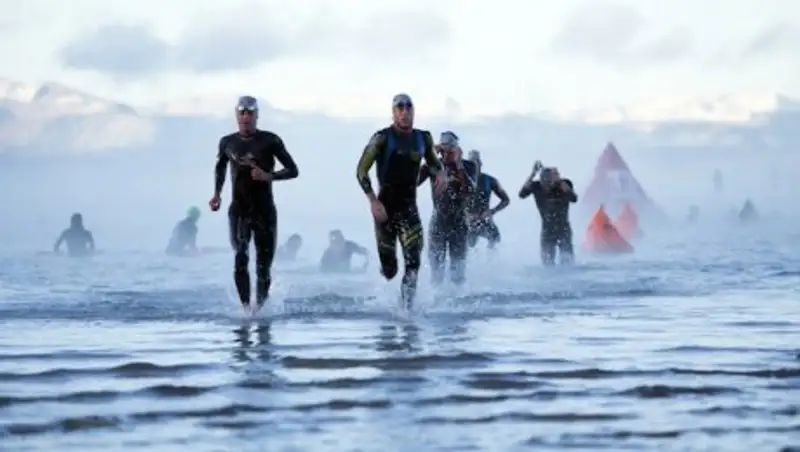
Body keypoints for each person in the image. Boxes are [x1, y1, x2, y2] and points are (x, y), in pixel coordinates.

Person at [209, 95, 299, 313]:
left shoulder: (270, 141)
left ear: (257, 116)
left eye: (250, 113)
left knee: (263, 266)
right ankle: (246, 310)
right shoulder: (227, 142)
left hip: (264, 211)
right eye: (242, 113)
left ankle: (260, 308)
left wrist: (268, 176)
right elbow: (220, 168)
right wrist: (217, 194)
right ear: (236, 116)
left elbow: (293, 170)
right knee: (240, 256)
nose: (246, 117)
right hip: (239, 210)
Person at [355, 93, 444, 309]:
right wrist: (373, 201)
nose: (405, 112)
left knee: (413, 263)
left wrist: (441, 174)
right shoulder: (382, 138)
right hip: (384, 210)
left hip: (409, 209)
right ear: (393, 112)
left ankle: (407, 312)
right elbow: (361, 171)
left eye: (409, 108)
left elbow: (433, 163)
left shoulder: (423, 138)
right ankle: (386, 277)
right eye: (400, 108)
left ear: (414, 110)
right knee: (390, 271)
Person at [418, 131, 477, 285]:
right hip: (439, 222)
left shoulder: (469, 166)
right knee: (436, 273)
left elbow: (470, 191)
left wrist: (458, 165)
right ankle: (437, 304)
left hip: (459, 223)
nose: (447, 155)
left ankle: (456, 304)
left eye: (451, 150)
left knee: (458, 274)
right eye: (444, 150)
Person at [519, 161, 578, 266]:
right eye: (543, 181)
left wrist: (559, 181)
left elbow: (574, 198)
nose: (546, 185)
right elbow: (522, 194)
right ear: (540, 180)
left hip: (563, 229)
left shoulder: (564, 184)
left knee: (567, 261)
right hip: (547, 230)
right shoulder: (535, 186)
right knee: (547, 262)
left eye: (549, 181)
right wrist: (533, 173)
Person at [466, 150, 509, 249]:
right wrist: (465, 214)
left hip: (485, 219)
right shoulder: (460, 181)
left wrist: (492, 211)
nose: (473, 165)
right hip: (468, 221)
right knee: (468, 246)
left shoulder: (490, 180)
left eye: (475, 162)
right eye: (470, 163)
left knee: (495, 238)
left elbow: (506, 200)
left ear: (480, 164)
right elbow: (451, 201)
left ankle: (491, 262)